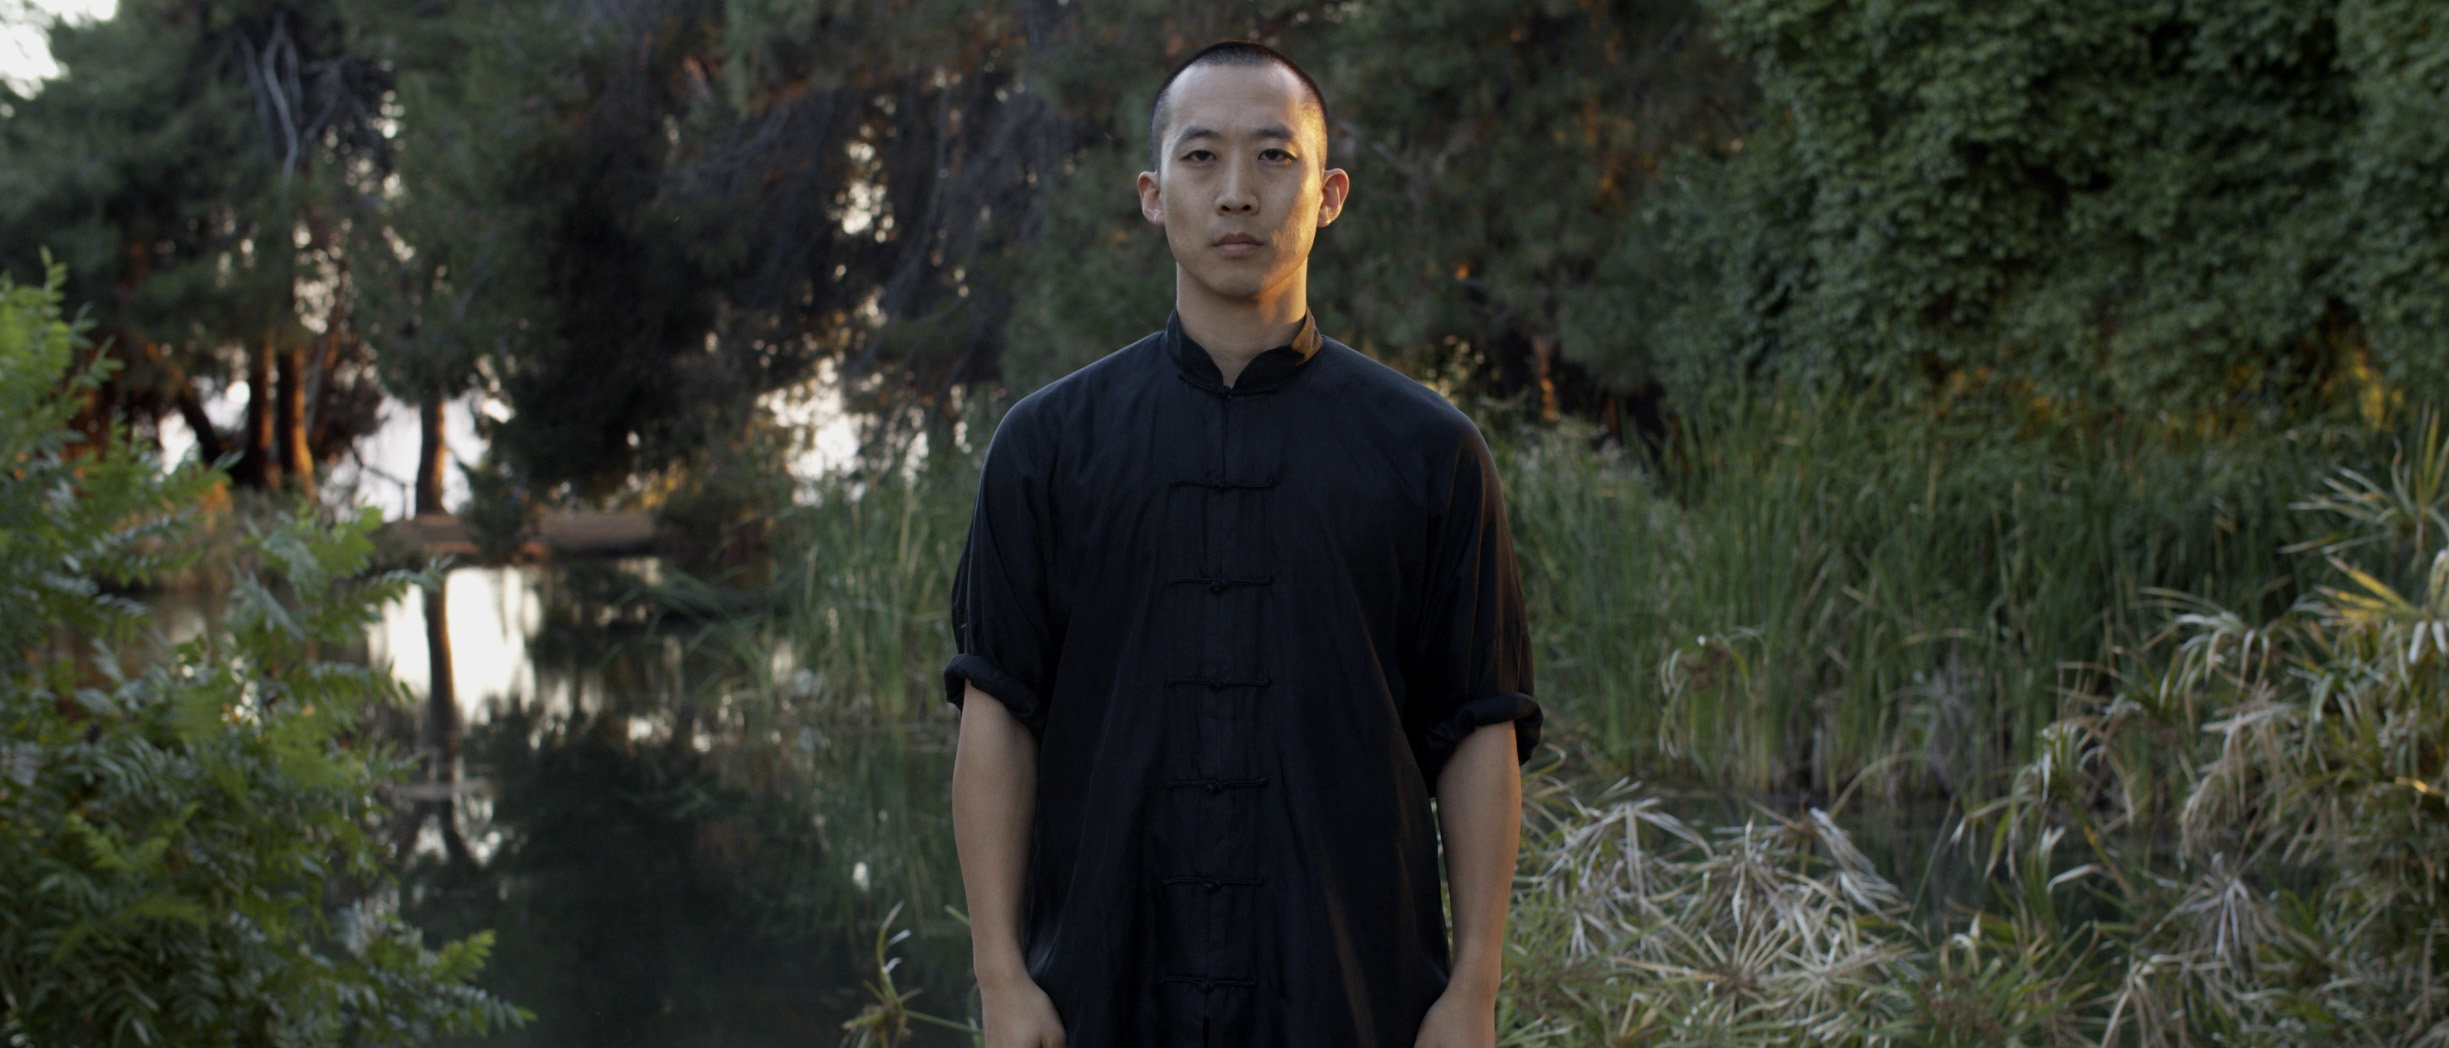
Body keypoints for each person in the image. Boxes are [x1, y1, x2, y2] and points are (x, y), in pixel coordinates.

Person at [946, 40, 1540, 1048]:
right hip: (1100, 993)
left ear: (1329, 194)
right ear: (1151, 194)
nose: (1235, 193)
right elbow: (997, 717)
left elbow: (1479, 728)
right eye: (1200, 157)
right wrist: (1002, 979)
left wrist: (1472, 990)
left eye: (1273, 156)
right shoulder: (1045, 447)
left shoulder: (1429, 451)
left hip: (1353, 996)